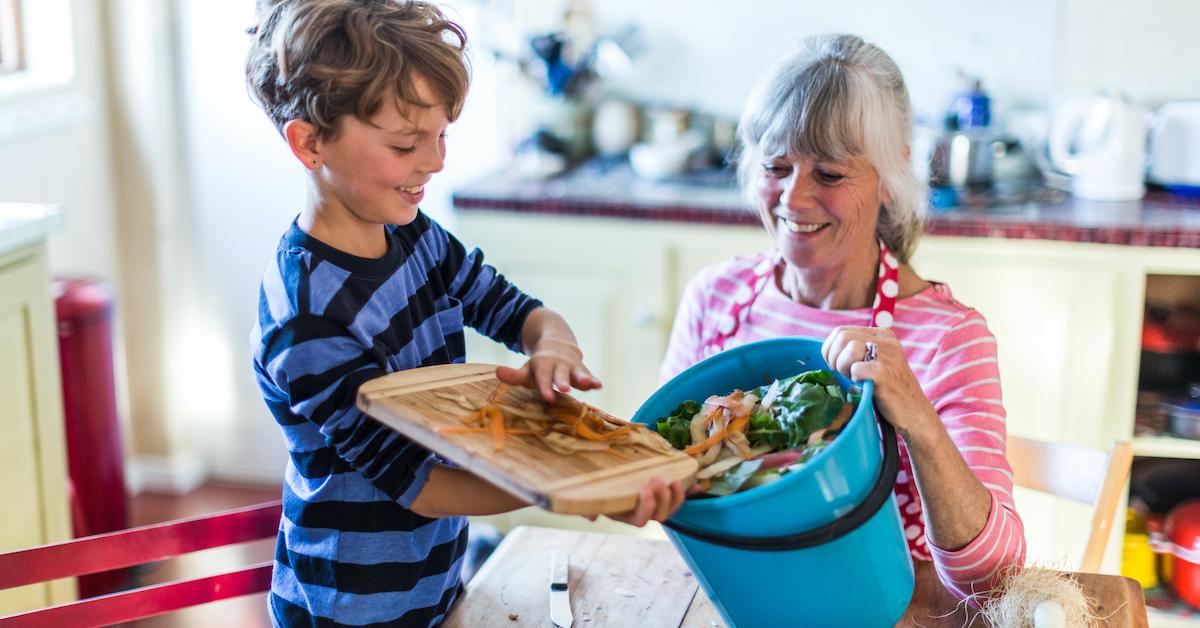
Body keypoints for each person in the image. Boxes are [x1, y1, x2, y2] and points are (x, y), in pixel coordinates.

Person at [245, 2, 684, 625]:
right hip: (351, 605)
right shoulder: (307, 320)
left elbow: (517, 311)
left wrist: (553, 346)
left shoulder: (415, 238)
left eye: (442, 134)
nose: (435, 161)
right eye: (407, 144)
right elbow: (423, 486)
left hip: (436, 580)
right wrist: (576, 484)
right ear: (309, 142)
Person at [659, 34, 1025, 600]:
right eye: (777, 167)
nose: (794, 199)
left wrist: (918, 420)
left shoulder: (949, 338)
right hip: (739, 597)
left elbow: (993, 578)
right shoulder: (714, 298)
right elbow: (663, 475)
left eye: (829, 175)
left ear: (891, 177)